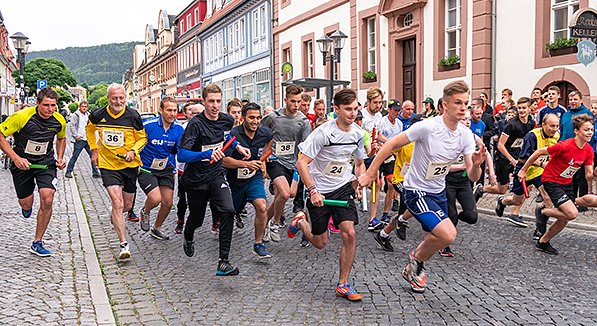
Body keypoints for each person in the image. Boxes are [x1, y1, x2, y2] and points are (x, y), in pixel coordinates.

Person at [359, 80, 485, 293]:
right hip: (415, 190)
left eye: (466, 104)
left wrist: (477, 164)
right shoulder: (427, 127)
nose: (464, 108)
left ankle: (414, 264)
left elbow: (472, 174)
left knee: (433, 237)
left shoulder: (465, 134)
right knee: (448, 235)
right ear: (444, 105)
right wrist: (370, 173)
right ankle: (416, 262)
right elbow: (391, 144)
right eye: (458, 103)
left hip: (438, 191)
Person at [288, 88, 366, 301]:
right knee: (320, 242)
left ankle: (343, 283)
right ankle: (301, 222)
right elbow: (301, 163)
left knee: (349, 233)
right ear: (337, 109)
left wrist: (359, 181)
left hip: (342, 187)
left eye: (355, 109)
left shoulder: (358, 134)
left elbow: (359, 163)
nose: (352, 113)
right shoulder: (322, 133)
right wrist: (312, 190)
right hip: (319, 190)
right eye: (348, 109)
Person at [177, 84, 251, 275]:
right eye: (211, 101)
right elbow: (182, 155)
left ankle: (223, 262)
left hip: (216, 174)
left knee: (228, 210)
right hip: (196, 179)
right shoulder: (196, 124)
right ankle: (188, 233)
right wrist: (205, 154)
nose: (215, 105)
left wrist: (238, 147)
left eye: (218, 101)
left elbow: (227, 139)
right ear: (204, 101)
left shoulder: (226, 120)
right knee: (197, 218)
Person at [0, 88, 67, 256]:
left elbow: (61, 138)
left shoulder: (59, 120)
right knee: (26, 203)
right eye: (46, 105)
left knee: (47, 198)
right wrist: (15, 158)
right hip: (22, 164)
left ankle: (37, 242)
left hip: (45, 164)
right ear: (37, 103)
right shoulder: (21, 117)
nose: (50, 109)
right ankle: (26, 206)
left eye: (53, 105)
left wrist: (60, 157)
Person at [86, 83, 148, 260]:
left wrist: (133, 151)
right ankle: (123, 245)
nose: (118, 101)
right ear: (108, 98)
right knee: (117, 202)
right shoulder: (98, 114)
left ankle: (116, 213)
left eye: (121, 98)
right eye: (115, 98)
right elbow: (89, 130)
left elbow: (142, 138)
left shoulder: (133, 115)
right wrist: (94, 150)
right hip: (108, 164)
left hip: (129, 165)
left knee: (126, 206)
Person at [520, 114, 596, 255]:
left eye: (591, 129)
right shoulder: (564, 146)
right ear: (576, 131)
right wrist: (523, 170)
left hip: (567, 183)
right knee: (572, 213)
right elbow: (538, 152)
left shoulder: (588, 151)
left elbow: (588, 176)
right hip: (551, 181)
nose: (590, 132)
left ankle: (543, 242)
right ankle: (542, 212)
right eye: (586, 129)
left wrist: (595, 174)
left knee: (565, 218)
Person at [495, 114, 559, 237]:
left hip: (540, 172)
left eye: (556, 126)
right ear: (543, 125)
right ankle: (502, 201)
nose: (555, 129)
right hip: (523, 171)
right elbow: (523, 158)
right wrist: (541, 163)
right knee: (517, 200)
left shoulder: (556, 135)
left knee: (547, 197)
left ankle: (540, 230)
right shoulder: (532, 136)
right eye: (552, 126)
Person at [261, 84, 311, 242]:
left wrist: (299, 173)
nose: (296, 105)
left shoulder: (303, 122)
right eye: (292, 101)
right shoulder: (273, 117)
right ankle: (276, 223)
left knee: (280, 198)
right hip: (275, 160)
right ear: (285, 100)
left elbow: (305, 150)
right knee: (284, 193)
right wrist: (262, 157)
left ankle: (263, 224)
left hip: (293, 164)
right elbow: (258, 133)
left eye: (298, 101)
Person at [223, 102, 273, 258]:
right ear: (243, 117)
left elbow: (269, 145)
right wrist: (245, 164)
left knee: (262, 206)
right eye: (251, 118)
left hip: (254, 178)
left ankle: (258, 243)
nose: (255, 121)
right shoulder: (233, 134)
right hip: (234, 181)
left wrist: (263, 161)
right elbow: (224, 161)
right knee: (231, 210)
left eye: (258, 118)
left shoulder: (265, 133)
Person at [137, 96, 184, 240]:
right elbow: (136, 143)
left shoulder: (178, 129)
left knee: (168, 203)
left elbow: (178, 150)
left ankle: (156, 228)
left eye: (175, 110)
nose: (172, 114)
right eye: (169, 110)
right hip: (146, 168)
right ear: (161, 110)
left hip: (166, 168)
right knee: (155, 198)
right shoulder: (148, 125)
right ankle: (145, 211)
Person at [475, 98, 535, 208]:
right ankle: (481, 189)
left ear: (529, 109)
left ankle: (514, 211)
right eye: (519, 108)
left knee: (525, 183)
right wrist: (511, 160)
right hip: (504, 157)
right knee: (501, 189)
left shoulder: (531, 123)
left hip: (518, 157)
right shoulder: (511, 124)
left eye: (524, 108)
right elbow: (500, 145)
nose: (521, 110)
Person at [560, 91, 593, 211]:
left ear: (581, 100)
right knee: (570, 177)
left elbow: (589, 133)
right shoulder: (566, 114)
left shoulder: (586, 114)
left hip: (581, 150)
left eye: (575, 99)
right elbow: (562, 131)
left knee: (581, 178)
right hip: (566, 150)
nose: (572, 102)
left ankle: (583, 203)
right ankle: (571, 201)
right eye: (571, 100)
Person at [175, 102, 204, 234]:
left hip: (200, 169)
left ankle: (211, 222)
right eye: (194, 113)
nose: (197, 116)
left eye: (200, 113)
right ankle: (180, 221)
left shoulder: (207, 126)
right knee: (182, 197)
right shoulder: (183, 128)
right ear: (188, 114)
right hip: (183, 169)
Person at [375, 99, 403, 225]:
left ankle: (386, 213)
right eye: (395, 110)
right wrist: (389, 144)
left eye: (399, 111)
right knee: (376, 185)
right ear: (389, 110)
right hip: (379, 155)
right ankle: (373, 214)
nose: (397, 113)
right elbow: (377, 136)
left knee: (391, 184)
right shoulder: (381, 121)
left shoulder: (399, 124)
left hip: (391, 157)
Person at [65, 101, 101, 178]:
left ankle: (95, 172)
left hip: (88, 139)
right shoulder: (76, 115)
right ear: (80, 107)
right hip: (80, 140)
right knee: (75, 156)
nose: (84, 108)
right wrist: (76, 136)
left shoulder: (88, 115)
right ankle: (68, 171)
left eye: (85, 106)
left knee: (93, 156)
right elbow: (72, 126)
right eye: (82, 106)